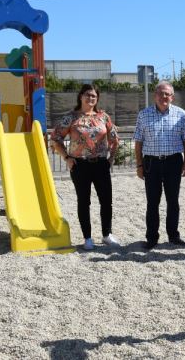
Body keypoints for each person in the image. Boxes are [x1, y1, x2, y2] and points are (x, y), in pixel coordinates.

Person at [50, 84, 120, 250]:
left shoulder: (103, 117)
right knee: (83, 201)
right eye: (87, 95)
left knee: (106, 200)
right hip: (79, 165)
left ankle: (107, 234)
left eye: (94, 96)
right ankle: (87, 238)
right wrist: (66, 157)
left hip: (101, 164)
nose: (91, 98)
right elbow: (55, 139)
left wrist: (111, 159)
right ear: (80, 96)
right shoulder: (71, 118)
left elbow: (114, 139)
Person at [134, 81, 185, 250]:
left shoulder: (181, 114)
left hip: (173, 161)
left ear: (172, 97)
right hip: (151, 162)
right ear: (155, 95)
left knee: (173, 201)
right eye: (160, 93)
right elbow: (138, 142)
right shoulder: (144, 115)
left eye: (167, 94)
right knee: (152, 202)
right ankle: (152, 238)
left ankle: (173, 236)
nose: (164, 97)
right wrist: (139, 165)